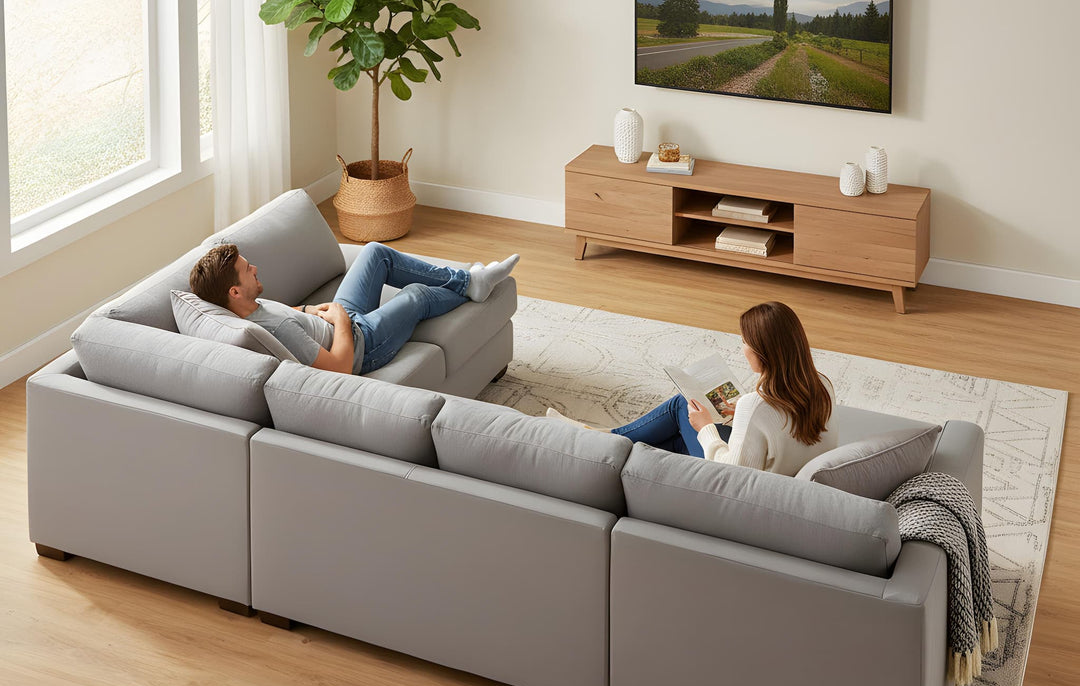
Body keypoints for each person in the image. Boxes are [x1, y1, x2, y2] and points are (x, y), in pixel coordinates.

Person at [550, 301, 836, 476]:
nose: (742, 349)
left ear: (763, 352)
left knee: (681, 406)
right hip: (780, 473)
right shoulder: (822, 384)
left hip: (741, 489)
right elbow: (779, 428)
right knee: (676, 441)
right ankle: (605, 447)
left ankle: (598, 441)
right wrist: (738, 414)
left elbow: (732, 476)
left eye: (745, 342)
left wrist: (706, 428)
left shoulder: (755, 406)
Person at [188, 241, 519, 376]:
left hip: (338, 320)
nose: (255, 269)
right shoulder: (276, 331)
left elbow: (284, 311)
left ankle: (466, 280)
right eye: (247, 270)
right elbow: (339, 368)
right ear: (234, 291)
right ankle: (473, 285)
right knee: (416, 295)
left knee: (375, 253)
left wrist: (309, 309)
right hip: (362, 345)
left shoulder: (248, 306)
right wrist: (343, 320)